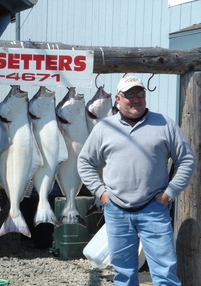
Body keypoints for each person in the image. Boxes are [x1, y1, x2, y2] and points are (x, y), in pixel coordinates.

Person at [77, 75, 196, 286]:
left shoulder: (165, 124)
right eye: (129, 94)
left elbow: (186, 161)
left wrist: (170, 193)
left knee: (165, 272)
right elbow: (85, 162)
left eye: (140, 93)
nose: (136, 99)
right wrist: (101, 193)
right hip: (116, 210)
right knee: (123, 273)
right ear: (117, 99)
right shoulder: (104, 127)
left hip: (154, 208)